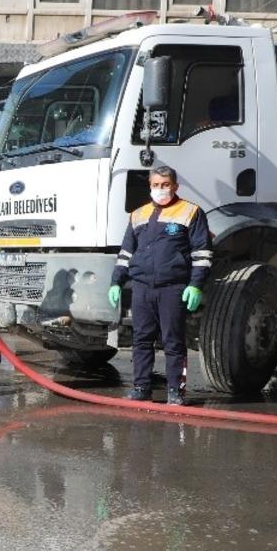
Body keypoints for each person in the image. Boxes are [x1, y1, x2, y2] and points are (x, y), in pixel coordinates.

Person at [109, 165, 211, 405]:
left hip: (172, 288)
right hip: (142, 287)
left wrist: (196, 285)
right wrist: (116, 281)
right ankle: (141, 387)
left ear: (175, 186)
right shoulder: (138, 214)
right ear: (150, 186)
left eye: (165, 185)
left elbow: (202, 252)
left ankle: (176, 391)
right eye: (156, 185)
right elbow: (126, 253)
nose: (160, 189)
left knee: (173, 342)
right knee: (141, 340)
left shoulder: (191, 212)